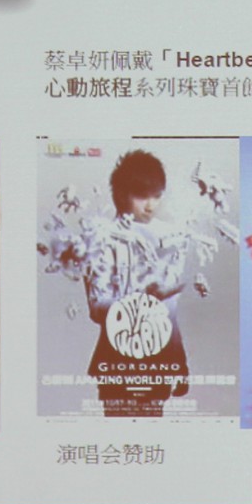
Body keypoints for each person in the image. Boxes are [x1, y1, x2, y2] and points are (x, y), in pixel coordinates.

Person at [84, 149, 201, 417]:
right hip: (117, 359)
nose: (150, 205)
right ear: (121, 194)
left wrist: (179, 362)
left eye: (157, 196)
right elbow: (97, 308)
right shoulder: (102, 239)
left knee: (151, 433)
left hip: (158, 361)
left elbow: (169, 312)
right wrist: (142, 300)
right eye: (142, 196)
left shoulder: (167, 238)